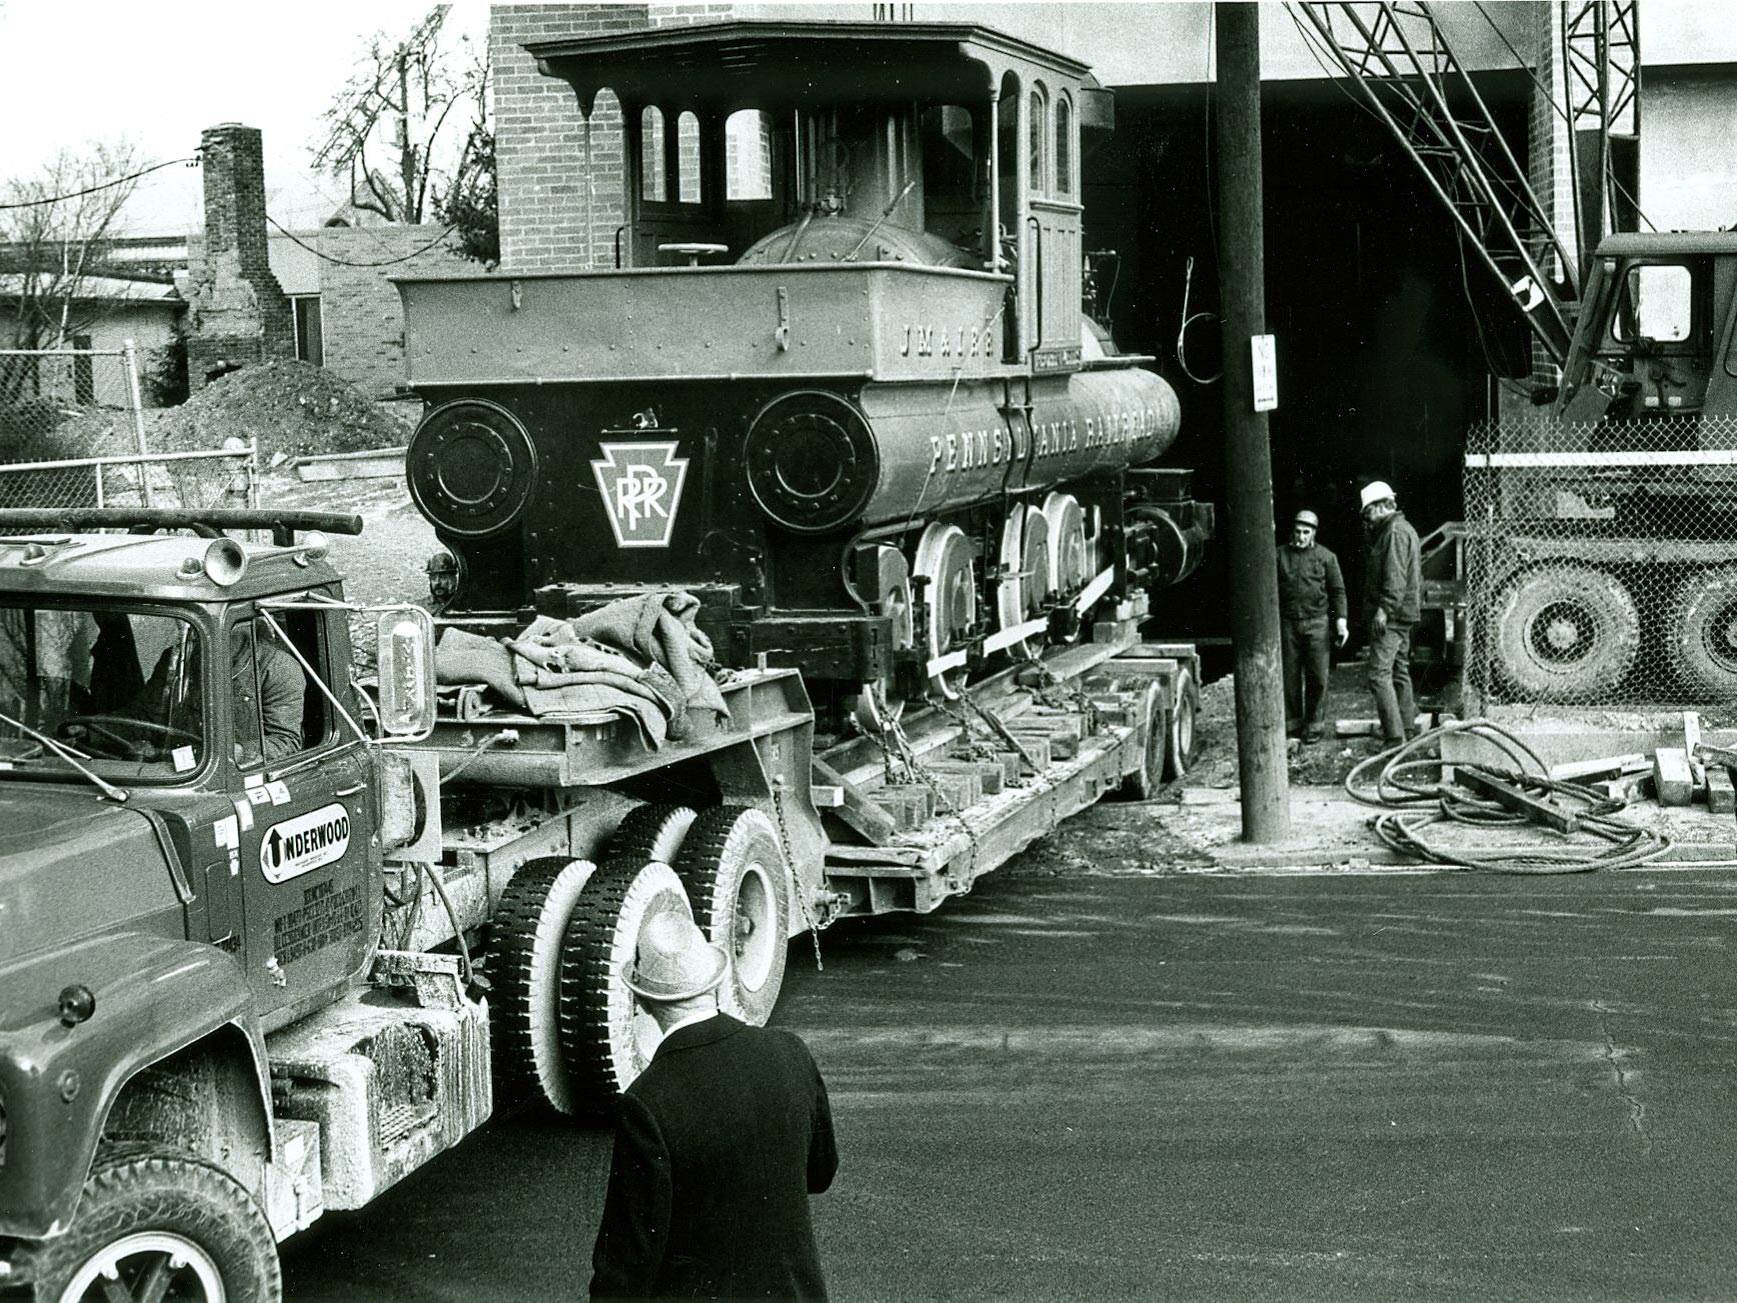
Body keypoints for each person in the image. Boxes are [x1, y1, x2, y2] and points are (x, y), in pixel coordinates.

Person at [590, 911, 838, 1301]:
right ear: (715, 983)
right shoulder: (788, 1051)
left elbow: (628, 1257)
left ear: (642, 999)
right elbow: (820, 1174)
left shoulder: (646, 1102)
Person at [1358, 480, 1422, 747]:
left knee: (1378, 674)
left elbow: (1395, 577)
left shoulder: (1394, 533)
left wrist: (1384, 610)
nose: (1366, 518)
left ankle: (1394, 738)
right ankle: (1406, 729)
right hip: (1404, 613)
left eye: (1368, 512)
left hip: (1393, 616)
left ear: (1382, 506)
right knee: (1399, 670)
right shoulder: (1401, 528)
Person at [1276, 509, 1347, 743]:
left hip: (1317, 623)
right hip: (1288, 624)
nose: (1301, 536)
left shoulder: (1327, 557)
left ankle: (1314, 725)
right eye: (1297, 531)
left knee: (1318, 677)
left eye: (1306, 532)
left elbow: (1338, 592)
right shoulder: (1279, 556)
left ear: (1314, 534)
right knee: (1290, 676)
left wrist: (1341, 623)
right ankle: (1293, 725)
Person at [231, 617, 305, 765]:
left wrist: (239, 751)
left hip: (249, 771)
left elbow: (286, 741)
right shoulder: (195, 658)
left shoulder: (279, 667)